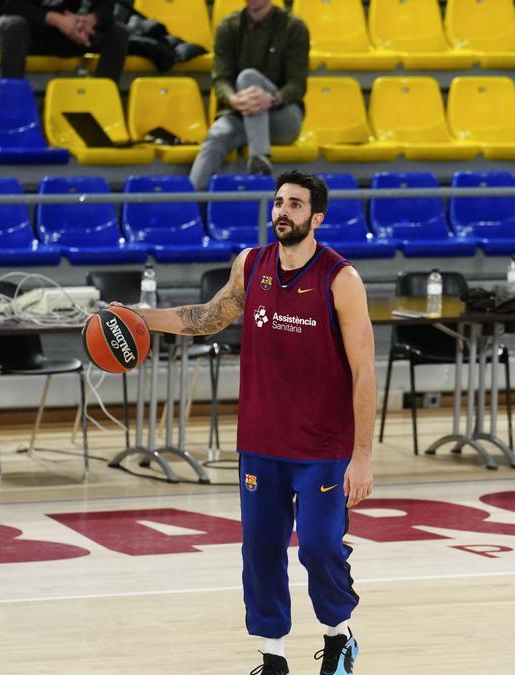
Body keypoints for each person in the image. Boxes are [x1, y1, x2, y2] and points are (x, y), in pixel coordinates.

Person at [124, 171, 374, 675]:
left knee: (321, 548)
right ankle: (272, 656)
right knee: (261, 550)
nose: (282, 211)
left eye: (295, 205)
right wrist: (141, 317)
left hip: (324, 444)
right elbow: (208, 317)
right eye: (279, 202)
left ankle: (339, 636)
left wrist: (363, 456)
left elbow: (365, 371)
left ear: (316, 218)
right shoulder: (251, 264)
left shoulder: (341, 279)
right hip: (261, 440)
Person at [190, 0, 309, 190]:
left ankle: (258, 154)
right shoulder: (228, 27)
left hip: (282, 117)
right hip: (239, 113)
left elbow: (297, 85)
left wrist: (271, 99)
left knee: (248, 77)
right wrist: (233, 100)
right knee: (215, 137)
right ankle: (191, 209)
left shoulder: (294, 27)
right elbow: (221, 80)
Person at [0, 0, 129, 81]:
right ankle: (11, 103)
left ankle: (103, 104)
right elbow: (12, 6)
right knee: (14, 27)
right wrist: (56, 20)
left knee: (118, 32)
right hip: (15, 26)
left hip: (65, 31)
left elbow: (106, 7)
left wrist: (90, 20)